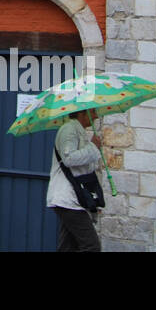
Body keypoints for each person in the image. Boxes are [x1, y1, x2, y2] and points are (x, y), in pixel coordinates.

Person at [46, 108, 104, 252]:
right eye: (93, 112)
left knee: (67, 247)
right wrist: (93, 147)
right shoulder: (69, 130)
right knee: (91, 246)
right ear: (81, 113)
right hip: (67, 198)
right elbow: (69, 159)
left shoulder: (78, 131)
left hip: (72, 199)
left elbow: (83, 168)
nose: (96, 116)